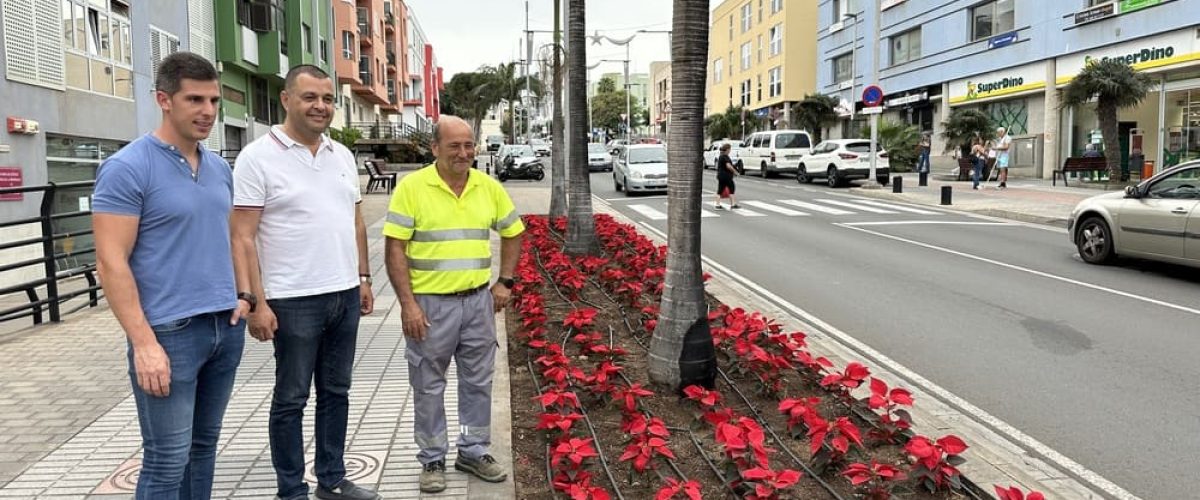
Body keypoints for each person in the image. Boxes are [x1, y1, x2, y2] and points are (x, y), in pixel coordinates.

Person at [92, 51, 250, 499]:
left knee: (202, 451)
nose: (208, 112)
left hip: (224, 327)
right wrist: (144, 344)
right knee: (166, 460)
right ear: (164, 99)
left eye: (215, 101)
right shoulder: (127, 168)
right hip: (169, 334)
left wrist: (244, 296)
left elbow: (229, 237)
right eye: (195, 99)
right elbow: (111, 262)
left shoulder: (219, 167)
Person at [230, 65, 378, 500]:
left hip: (344, 295)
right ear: (287, 100)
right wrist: (256, 302)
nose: (321, 106)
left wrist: (364, 278)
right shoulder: (257, 157)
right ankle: (291, 489)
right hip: (292, 300)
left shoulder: (341, 155)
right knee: (291, 398)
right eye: (311, 97)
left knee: (337, 391)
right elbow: (242, 235)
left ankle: (331, 479)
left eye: (328, 99)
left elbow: (355, 221)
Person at [383, 115, 524, 494]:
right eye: (454, 146)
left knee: (478, 382)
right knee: (429, 385)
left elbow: (513, 232)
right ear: (435, 149)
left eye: (468, 145)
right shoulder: (413, 188)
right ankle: (432, 458)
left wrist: (505, 283)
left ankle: (472, 450)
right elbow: (394, 248)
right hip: (429, 308)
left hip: (478, 304)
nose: (464, 153)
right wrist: (407, 304)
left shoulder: (487, 187)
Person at [714, 143, 741, 210]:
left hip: (721, 176)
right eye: (729, 149)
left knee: (720, 190)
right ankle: (733, 204)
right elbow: (728, 166)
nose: (730, 151)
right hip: (726, 176)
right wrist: (735, 172)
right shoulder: (725, 156)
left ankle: (717, 205)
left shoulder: (721, 156)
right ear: (727, 149)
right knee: (732, 188)